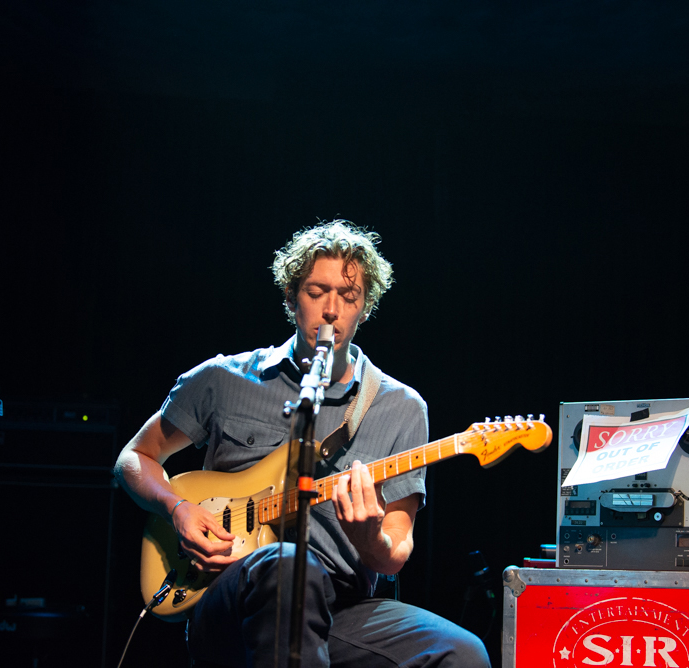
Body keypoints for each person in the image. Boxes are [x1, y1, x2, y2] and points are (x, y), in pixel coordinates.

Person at [114, 221, 489, 667]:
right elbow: (134, 458)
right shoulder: (221, 378)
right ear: (291, 298)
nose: (331, 309)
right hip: (230, 600)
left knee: (462, 654)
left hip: (340, 611)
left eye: (348, 297)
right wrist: (177, 509)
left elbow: (394, 554)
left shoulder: (401, 408)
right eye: (316, 291)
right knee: (289, 564)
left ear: (364, 309)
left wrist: (369, 537)